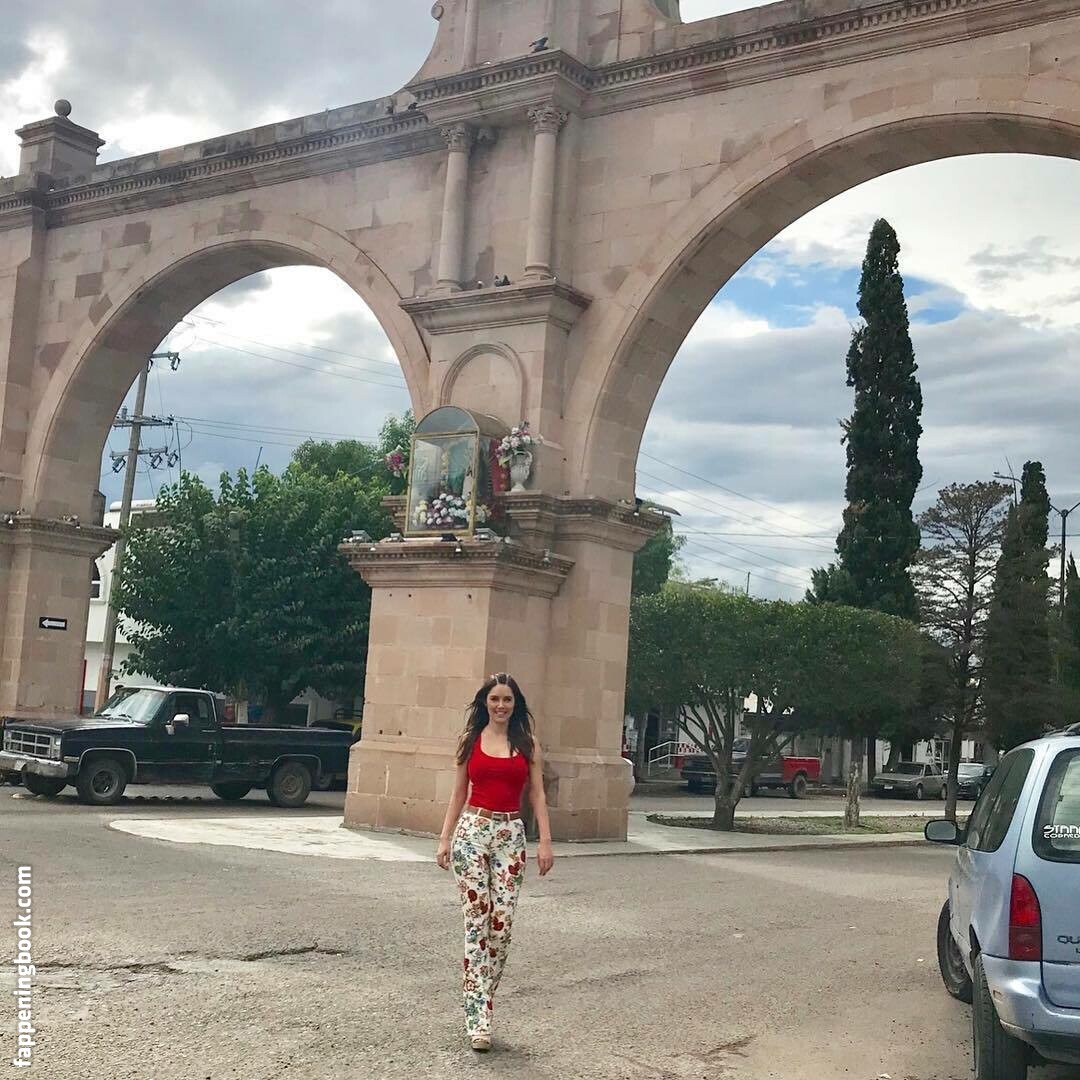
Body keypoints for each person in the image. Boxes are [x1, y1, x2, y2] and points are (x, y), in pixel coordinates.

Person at [435, 672, 555, 1052]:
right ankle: (479, 1019)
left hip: (511, 836)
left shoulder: (527, 744)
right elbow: (458, 793)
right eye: (494, 699)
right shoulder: (470, 741)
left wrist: (545, 842)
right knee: (477, 921)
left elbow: (537, 795)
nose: (500, 705)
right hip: (472, 831)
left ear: (515, 704)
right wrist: (445, 838)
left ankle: (484, 995)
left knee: (500, 926)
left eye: (507, 699)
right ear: (485, 703)